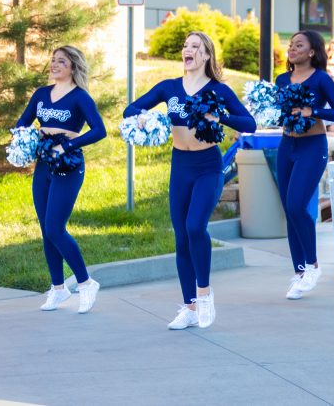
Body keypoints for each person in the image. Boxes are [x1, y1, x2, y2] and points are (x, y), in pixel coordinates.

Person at [123, 32, 256, 330]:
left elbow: (249, 123)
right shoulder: (169, 88)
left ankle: (205, 294)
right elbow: (130, 109)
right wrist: (143, 118)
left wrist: (219, 116)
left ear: (207, 56)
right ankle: (189, 307)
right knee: (181, 237)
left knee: (196, 226)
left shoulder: (218, 90)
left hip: (207, 166)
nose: (188, 50)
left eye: (195, 46)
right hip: (179, 166)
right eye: (186, 46)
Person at [14, 46, 107, 314]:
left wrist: (66, 145)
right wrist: (23, 141)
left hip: (67, 163)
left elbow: (99, 130)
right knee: (46, 229)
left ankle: (86, 283)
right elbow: (23, 121)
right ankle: (58, 288)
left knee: (55, 227)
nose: (54, 65)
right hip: (44, 162)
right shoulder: (42, 94)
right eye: (53, 60)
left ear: (73, 67)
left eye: (61, 61)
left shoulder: (80, 97)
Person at [275, 30, 334, 300]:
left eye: (299, 45)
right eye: (291, 45)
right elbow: (276, 109)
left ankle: (312, 264)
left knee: (296, 205)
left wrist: (312, 111)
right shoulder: (281, 79)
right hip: (286, 146)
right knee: (289, 212)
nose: (292, 49)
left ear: (312, 51)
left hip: (312, 147)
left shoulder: (322, 79)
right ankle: (300, 273)